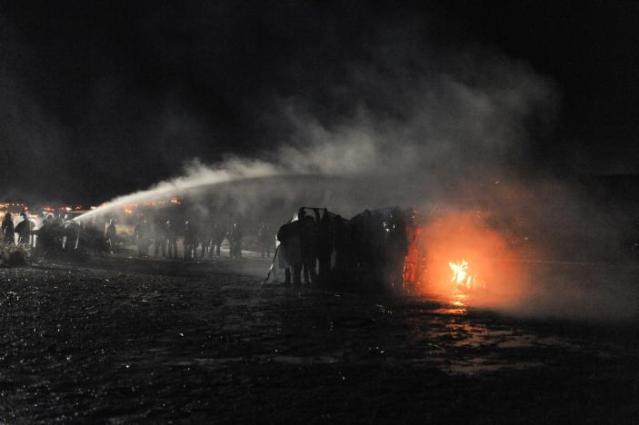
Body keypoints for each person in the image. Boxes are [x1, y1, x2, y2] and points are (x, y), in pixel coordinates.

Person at [277, 219, 302, 285]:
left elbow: (279, 237)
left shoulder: (285, 228)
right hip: (293, 249)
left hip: (287, 248)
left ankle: (289, 280)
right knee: (294, 265)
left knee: (288, 266)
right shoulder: (298, 230)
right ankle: (296, 281)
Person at [299, 210, 318, 285]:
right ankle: (310, 281)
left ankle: (312, 280)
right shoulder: (306, 229)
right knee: (307, 267)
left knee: (310, 267)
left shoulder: (310, 229)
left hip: (310, 251)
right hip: (306, 250)